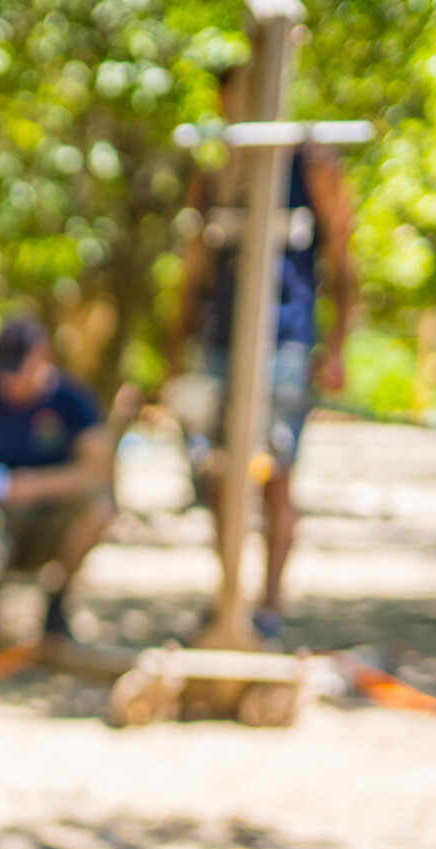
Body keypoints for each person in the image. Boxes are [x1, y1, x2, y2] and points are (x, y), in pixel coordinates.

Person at [168, 61, 358, 641]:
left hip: (288, 338)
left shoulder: (313, 165)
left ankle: (268, 608)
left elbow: (344, 260)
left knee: (274, 473)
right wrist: (174, 350)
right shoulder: (216, 172)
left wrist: (338, 344)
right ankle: (230, 600)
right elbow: (194, 271)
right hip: (219, 340)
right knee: (216, 472)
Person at [0, 317, 117, 641]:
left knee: (101, 509)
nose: (12, 380)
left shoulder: (75, 402)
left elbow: (98, 474)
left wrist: (32, 486)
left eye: (20, 368)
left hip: (52, 520)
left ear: (42, 357)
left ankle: (57, 601)